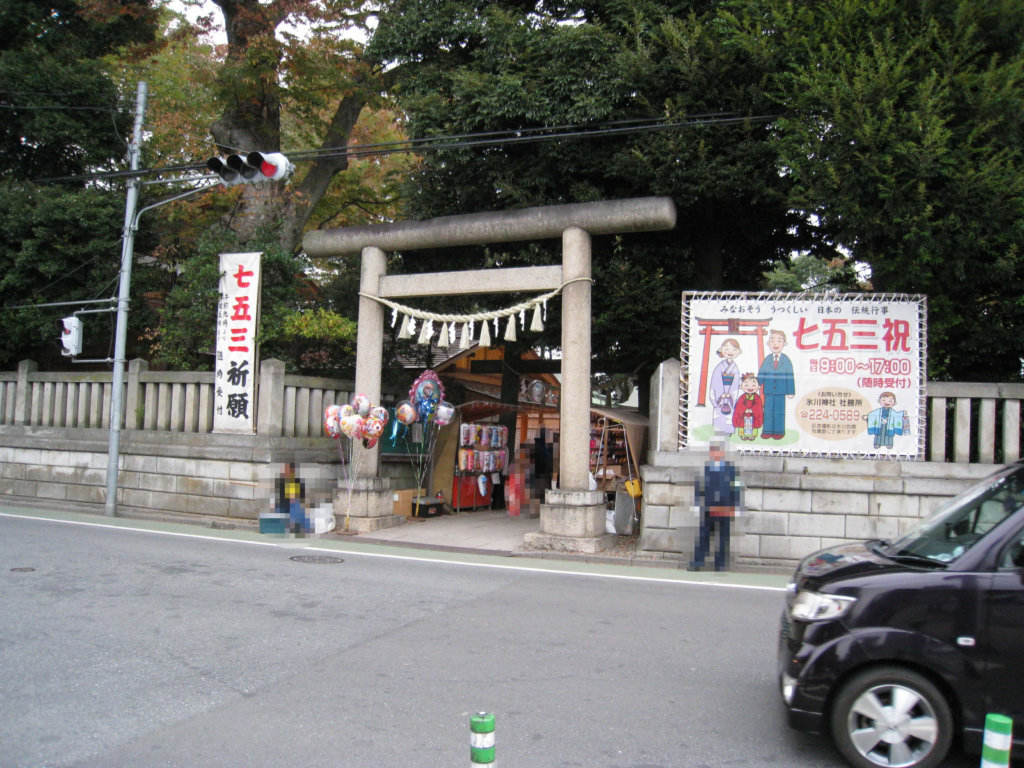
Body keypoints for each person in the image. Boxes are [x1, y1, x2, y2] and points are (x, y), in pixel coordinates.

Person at [688, 442, 741, 571]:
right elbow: (699, 487)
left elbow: (736, 488)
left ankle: (720, 564)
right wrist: (696, 503)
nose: (716, 454)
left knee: (723, 538)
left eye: (718, 452)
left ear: (722, 453)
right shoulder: (706, 469)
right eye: (713, 452)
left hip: (725, 508)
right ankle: (698, 562)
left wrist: (736, 505)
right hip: (708, 508)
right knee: (704, 537)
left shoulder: (731, 470)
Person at [757, 329, 795, 440]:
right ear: (768, 343)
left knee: (779, 412)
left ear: (784, 344)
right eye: (772, 341)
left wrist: (790, 391)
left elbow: (790, 376)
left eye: (779, 341)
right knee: (768, 411)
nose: (775, 344)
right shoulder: (767, 359)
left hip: (780, 392)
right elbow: (762, 372)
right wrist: (758, 383)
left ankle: (779, 431)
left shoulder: (786, 360)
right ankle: (767, 431)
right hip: (768, 391)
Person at [708, 338, 742, 435]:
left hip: (730, 394)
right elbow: (715, 382)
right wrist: (721, 395)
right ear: (721, 350)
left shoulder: (735, 367)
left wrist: (730, 395)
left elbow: (735, 384)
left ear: (738, 351)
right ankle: (719, 431)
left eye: (734, 349)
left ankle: (729, 431)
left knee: (729, 416)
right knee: (719, 415)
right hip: (720, 395)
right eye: (727, 349)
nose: (730, 352)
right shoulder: (719, 366)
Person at [276, 462, 309, 535]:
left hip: (295, 504)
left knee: (296, 507)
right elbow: (280, 496)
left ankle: (296, 526)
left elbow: (302, 495)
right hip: (286, 504)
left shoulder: (298, 481)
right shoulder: (282, 482)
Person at [732, 373, 763, 441]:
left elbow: (758, 407)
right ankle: (743, 435)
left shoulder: (757, 398)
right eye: (746, 385)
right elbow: (739, 406)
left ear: (758, 387)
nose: (750, 387)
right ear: (741, 386)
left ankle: (752, 436)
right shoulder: (742, 397)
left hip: (753, 416)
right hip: (744, 416)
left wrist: (752, 410)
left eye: (753, 385)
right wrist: (744, 410)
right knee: (743, 424)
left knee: (753, 425)